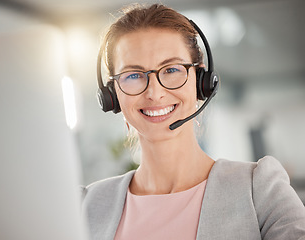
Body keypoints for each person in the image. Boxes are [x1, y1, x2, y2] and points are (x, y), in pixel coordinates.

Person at [82, 3, 305, 240]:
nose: (154, 93)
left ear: (201, 81)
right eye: (134, 75)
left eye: (171, 70)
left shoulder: (259, 190)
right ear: (112, 94)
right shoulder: (86, 205)